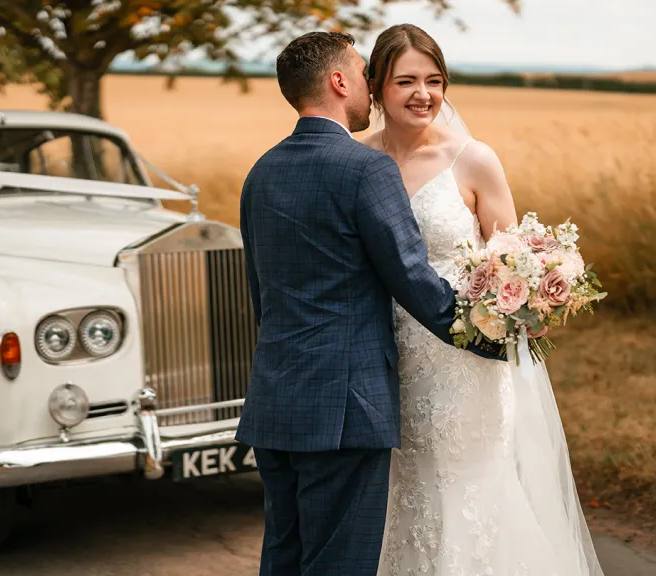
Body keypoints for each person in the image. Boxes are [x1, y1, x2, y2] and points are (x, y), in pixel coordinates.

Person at [236, 31, 501, 576]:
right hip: (345, 406)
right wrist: (490, 335)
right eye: (363, 74)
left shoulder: (261, 171)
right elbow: (411, 277)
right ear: (338, 82)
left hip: (275, 400)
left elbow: (262, 294)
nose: (370, 86)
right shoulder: (366, 169)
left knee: (284, 555)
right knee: (340, 563)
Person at [359, 24, 605, 576]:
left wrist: (528, 301)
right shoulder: (356, 160)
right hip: (383, 355)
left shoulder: (472, 160)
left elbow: (510, 257)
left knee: (468, 486)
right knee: (402, 489)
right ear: (375, 86)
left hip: (464, 360)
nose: (423, 94)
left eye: (434, 80)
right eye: (405, 81)